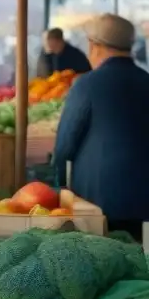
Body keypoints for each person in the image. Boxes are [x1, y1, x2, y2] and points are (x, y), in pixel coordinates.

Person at [53, 14, 149, 240]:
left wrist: (58, 185)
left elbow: (64, 146)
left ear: (94, 46)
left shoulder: (86, 84)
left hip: (98, 202)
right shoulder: (147, 81)